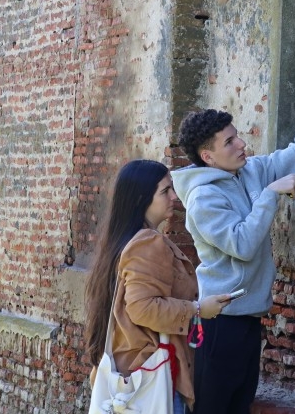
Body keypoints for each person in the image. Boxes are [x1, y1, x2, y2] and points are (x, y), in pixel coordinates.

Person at [172, 66, 295, 414]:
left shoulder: (251, 170)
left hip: (250, 317)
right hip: (220, 323)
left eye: (236, 135)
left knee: (240, 407)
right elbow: (242, 245)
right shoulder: (203, 199)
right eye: (229, 142)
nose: (241, 143)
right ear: (208, 157)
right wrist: (271, 193)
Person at [84, 159, 233, 413]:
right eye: (165, 191)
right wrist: (198, 310)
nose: (174, 197)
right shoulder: (147, 243)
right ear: (142, 198)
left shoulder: (122, 240)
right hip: (153, 377)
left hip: (131, 371)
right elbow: (142, 309)